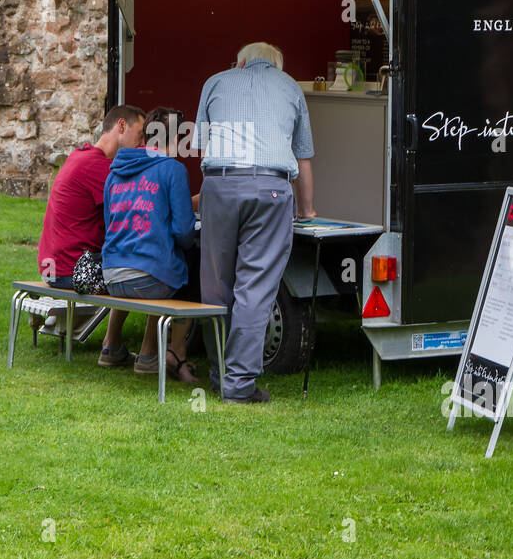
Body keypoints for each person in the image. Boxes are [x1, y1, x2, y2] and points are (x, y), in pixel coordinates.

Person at [195, 42, 315, 403]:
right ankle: (239, 384)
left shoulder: (215, 82)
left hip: (218, 184)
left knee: (215, 285)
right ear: (277, 66)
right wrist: (307, 211)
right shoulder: (291, 86)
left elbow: (203, 145)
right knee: (256, 287)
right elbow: (303, 157)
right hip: (271, 188)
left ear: (241, 62)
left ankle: (218, 374)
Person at [37, 104, 145, 367]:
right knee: (149, 273)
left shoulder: (80, 156)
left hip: (53, 266)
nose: (143, 143)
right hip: (72, 271)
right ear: (121, 126)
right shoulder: (98, 167)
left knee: (129, 266)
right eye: (140, 134)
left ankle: (112, 345)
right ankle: (154, 355)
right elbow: (142, 208)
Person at [101, 106, 201, 383]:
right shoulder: (173, 170)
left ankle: (113, 346)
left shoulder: (114, 173)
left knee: (148, 263)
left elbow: (111, 224)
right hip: (147, 278)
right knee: (182, 266)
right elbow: (183, 233)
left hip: (111, 275)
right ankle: (154, 354)